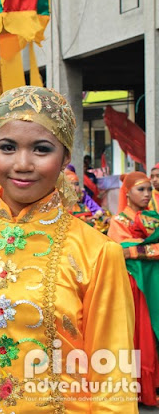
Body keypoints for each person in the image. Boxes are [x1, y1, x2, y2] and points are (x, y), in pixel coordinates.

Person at [0, 86, 136, 413]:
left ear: (65, 157)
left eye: (41, 149)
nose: (22, 164)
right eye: (8, 147)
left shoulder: (96, 252)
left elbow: (113, 378)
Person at [107, 172, 159, 406]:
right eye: (141, 189)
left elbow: (134, 250)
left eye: (149, 189)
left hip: (153, 284)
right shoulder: (119, 221)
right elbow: (121, 251)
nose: (147, 194)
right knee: (139, 334)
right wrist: (151, 250)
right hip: (133, 286)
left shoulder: (154, 218)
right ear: (127, 192)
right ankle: (139, 388)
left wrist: (142, 251)